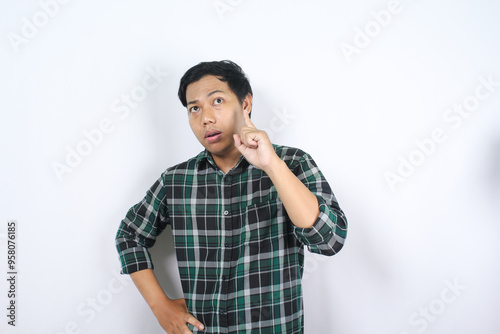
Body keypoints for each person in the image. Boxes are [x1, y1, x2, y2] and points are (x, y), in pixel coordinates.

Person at [115, 60, 347, 334]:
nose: (205, 118)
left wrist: (271, 165)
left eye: (218, 101)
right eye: (194, 108)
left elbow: (329, 241)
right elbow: (129, 236)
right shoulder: (176, 180)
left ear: (245, 103)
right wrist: (159, 306)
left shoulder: (292, 163)